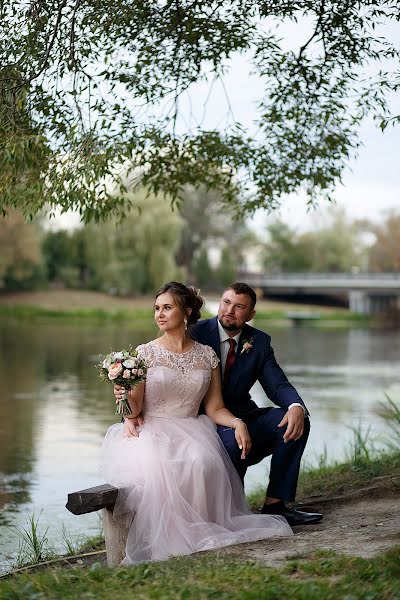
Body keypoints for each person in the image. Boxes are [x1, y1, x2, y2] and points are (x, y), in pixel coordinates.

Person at [101, 282, 292, 565]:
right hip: (153, 429)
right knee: (162, 466)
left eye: (167, 308)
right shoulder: (145, 353)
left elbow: (215, 407)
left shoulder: (206, 355)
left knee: (204, 461)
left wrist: (238, 422)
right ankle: (171, 537)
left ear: (187, 312)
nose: (160, 314)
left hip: (192, 428)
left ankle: (203, 529)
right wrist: (123, 396)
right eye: (157, 308)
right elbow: (134, 409)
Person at [191, 282, 322, 526]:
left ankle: (276, 505)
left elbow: (277, 385)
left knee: (296, 421)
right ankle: (231, 509)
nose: (229, 310)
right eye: (226, 302)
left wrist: (295, 406)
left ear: (250, 314)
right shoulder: (195, 333)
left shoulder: (258, 342)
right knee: (232, 442)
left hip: (244, 414)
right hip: (204, 420)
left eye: (239, 307)